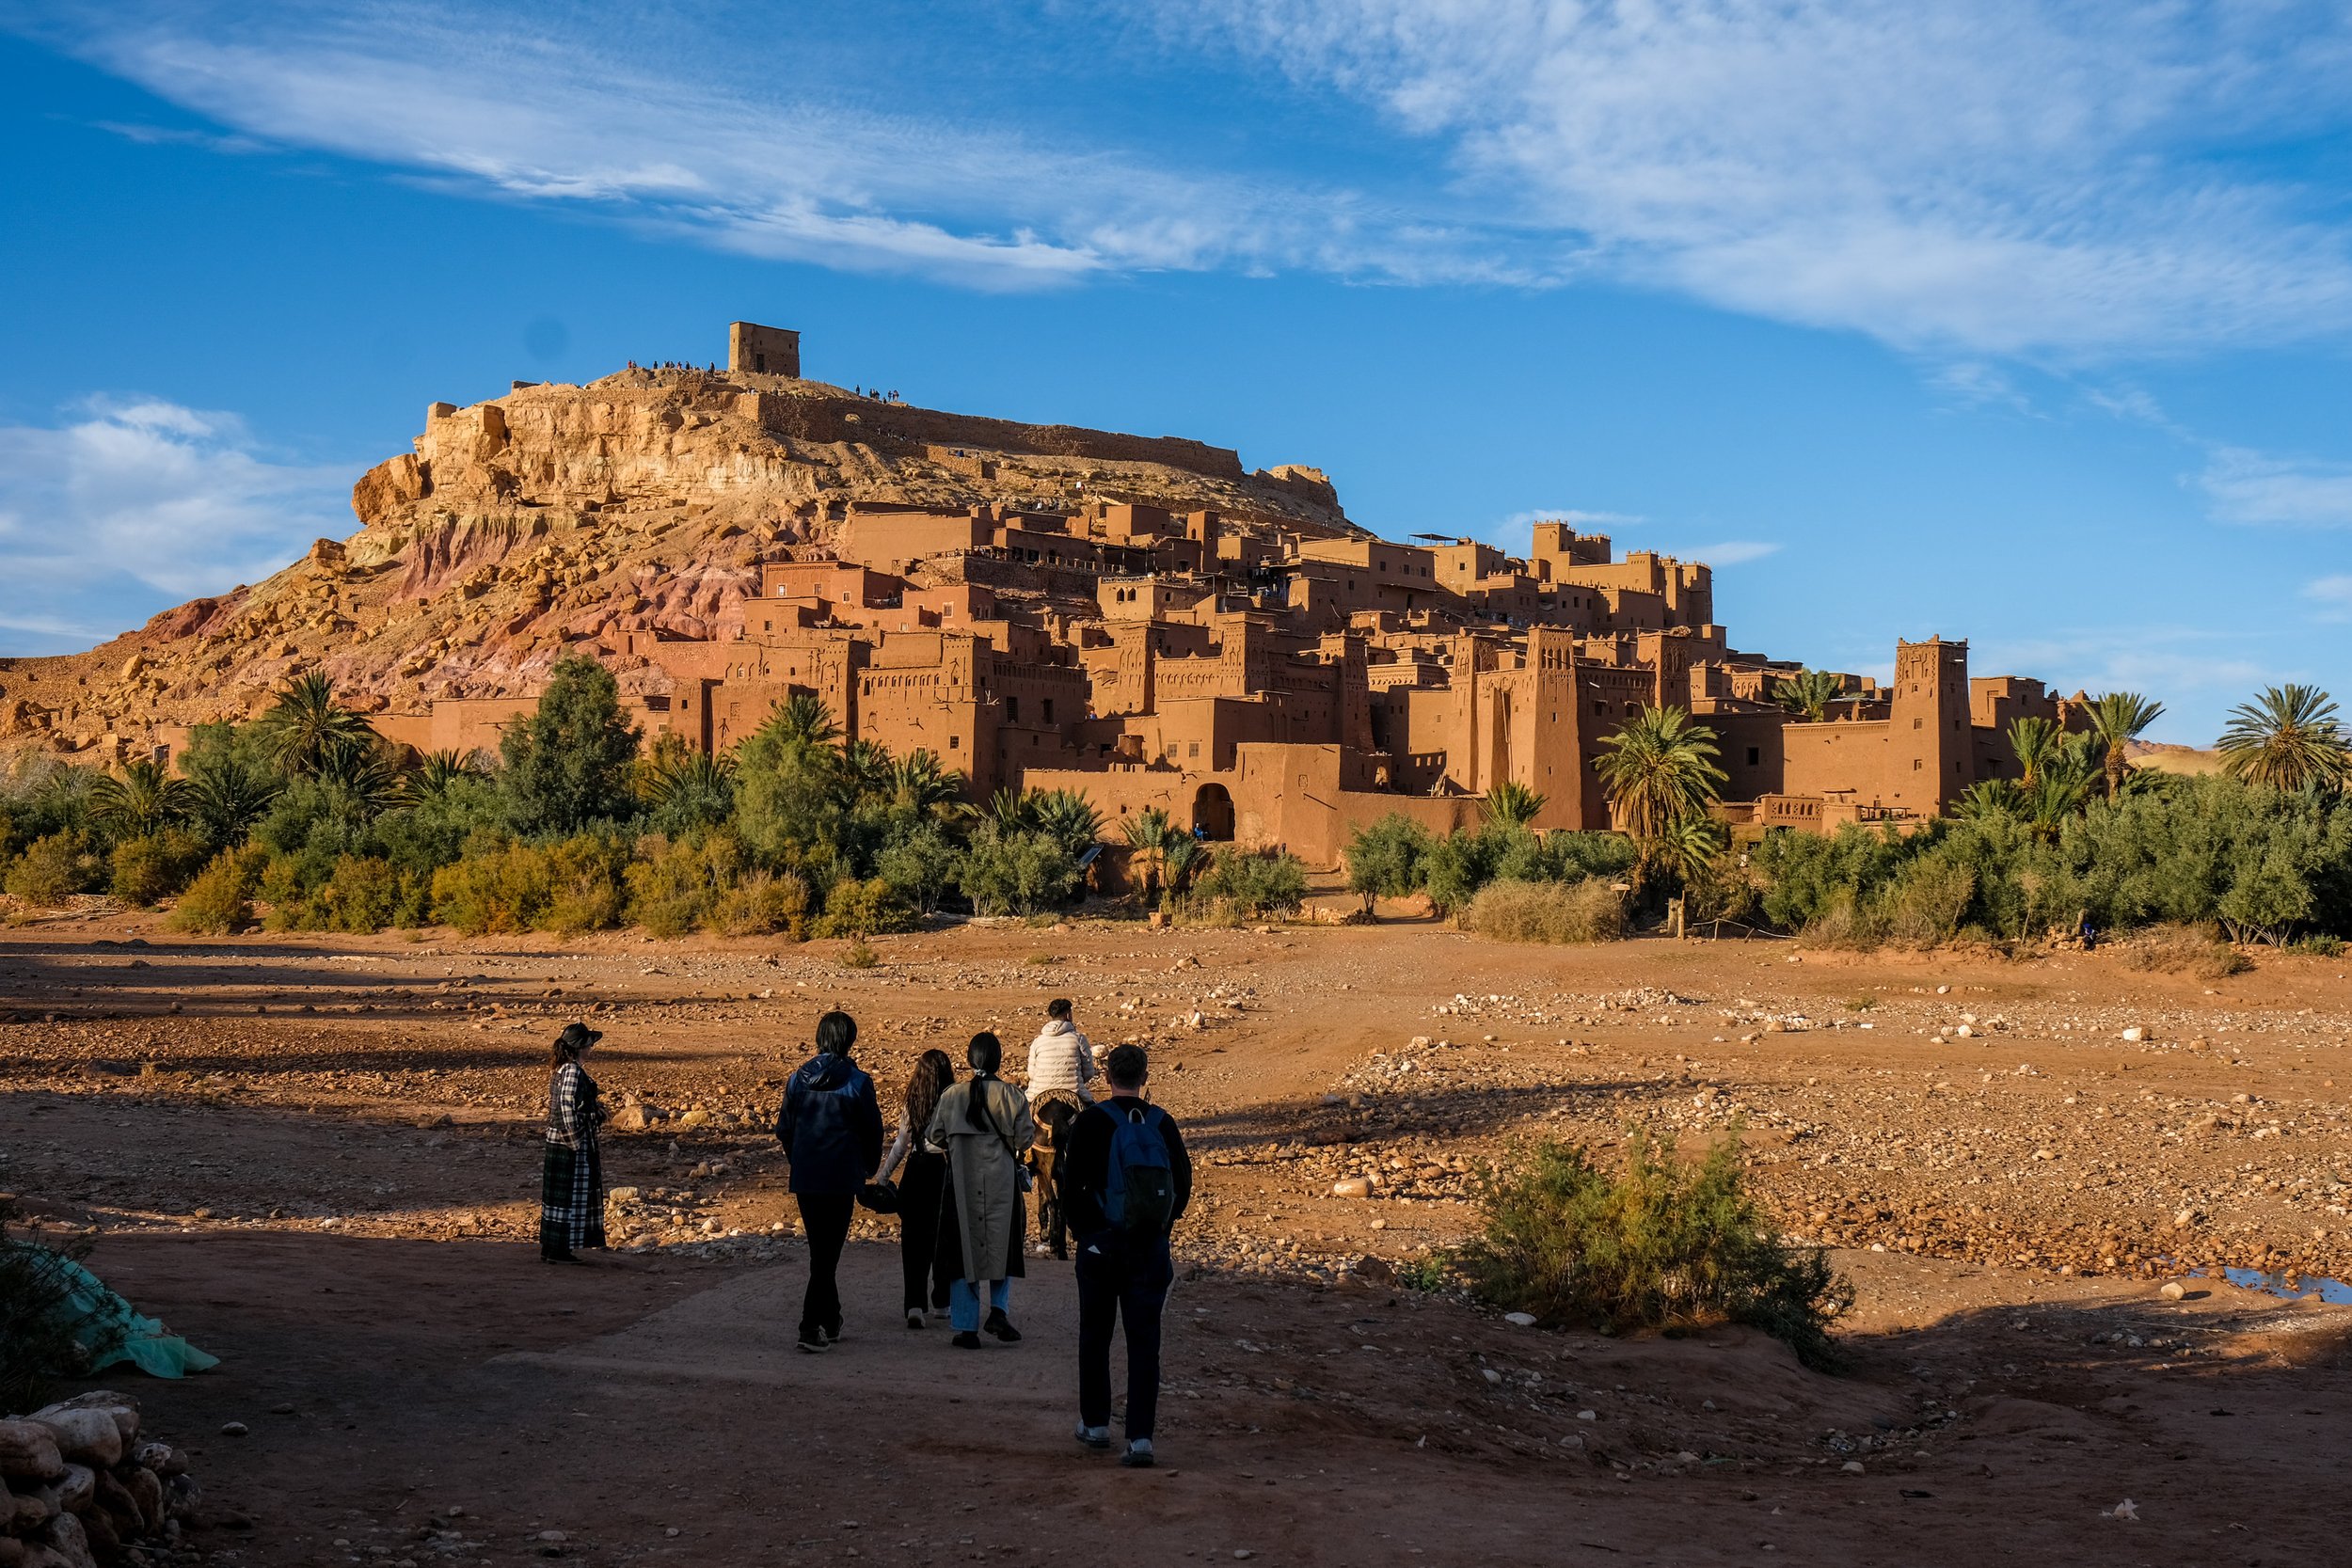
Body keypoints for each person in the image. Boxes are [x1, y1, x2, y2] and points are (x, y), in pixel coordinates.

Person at [1058, 1043, 1192, 1468]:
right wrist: (1160, 1229)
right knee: (1144, 1343)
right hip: (1148, 1249)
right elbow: (1182, 1185)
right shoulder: (1163, 1123)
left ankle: (1096, 1424)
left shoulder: (1091, 1122)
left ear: (1107, 1076)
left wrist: (1086, 1234)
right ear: (1144, 1077)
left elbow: (1069, 1184)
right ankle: (1140, 1439)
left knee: (1095, 1335)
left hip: (1101, 1248)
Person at [776, 1011, 884, 1354]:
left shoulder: (797, 1079)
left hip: (808, 1177)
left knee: (821, 1252)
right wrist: (867, 1169)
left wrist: (800, 1159)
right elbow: (873, 1131)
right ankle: (809, 1326)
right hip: (840, 1178)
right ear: (849, 1040)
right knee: (827, 1255)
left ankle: (830, 1319)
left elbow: (785, 1129)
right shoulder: (857, 1082)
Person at [924, 1033, 1035, 1349]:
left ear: (971, 1059)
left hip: (960, 1186)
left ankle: (966, 1327)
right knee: (1004, 1249)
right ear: (998, 1059)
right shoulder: (1013, 1096)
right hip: (1002, 1186)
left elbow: (935, 1135)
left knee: (963, 1254)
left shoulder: (951, 1095)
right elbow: (1025, 1139)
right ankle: (998, 1310)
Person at [875, 1049, 961, 1329]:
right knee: (945, 1237)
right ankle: (943, 1303)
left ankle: (914, 1304)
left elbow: (901, 1144)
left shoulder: (913, 1101)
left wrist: (883, 1178)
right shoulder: (956, 1100)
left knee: (913, 1242)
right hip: (946, 1171)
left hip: (917, 1170)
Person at [539, 1022, 610, 1263]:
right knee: (570, 1195)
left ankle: (552, 1247)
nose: (592, 1048)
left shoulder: (561, 1070)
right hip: (571, 1141)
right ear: (580, 1047)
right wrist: (576, 1138)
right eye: (589, 1044)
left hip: (559, 1138)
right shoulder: (572, 1071)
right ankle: (559, 1250)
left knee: (558, 1198)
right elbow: (566, 1105)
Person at [1025, 998, 1097, 1108]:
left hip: (1038, 1093)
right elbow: (1089, 1073)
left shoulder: (1038, 1041)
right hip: (1074, 1092)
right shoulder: (1079, 1039)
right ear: (1068, 1015)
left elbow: (1031, 1074)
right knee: (1097, 1116)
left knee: (1021, 1117)